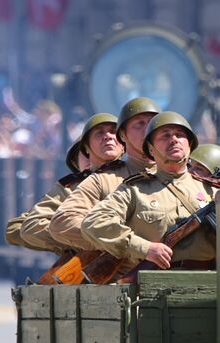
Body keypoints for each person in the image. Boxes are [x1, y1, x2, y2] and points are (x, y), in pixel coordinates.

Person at [80, 112, 217, 276]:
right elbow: (93, 222)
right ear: (151, 149)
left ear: (190, 145)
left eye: (180, 135)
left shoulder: (211, 190)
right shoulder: (134, 189)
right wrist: (145, 249)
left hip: (210, 282)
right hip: (154, 287)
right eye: (164, 136)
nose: (173, 139)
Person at [49, 98, 158, 254]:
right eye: (139, 124)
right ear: (124, 135)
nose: (147, 129)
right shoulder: (103, 179)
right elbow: (62, 223)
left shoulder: (188, 177)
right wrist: (125, 243)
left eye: (152, 123)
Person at [11, 112, 120, 254]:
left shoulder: (136, 177)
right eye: (99, 134)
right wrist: (75, 237)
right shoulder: (71, 187)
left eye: (113, 132)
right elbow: (28, 227)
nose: (108, 138)